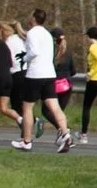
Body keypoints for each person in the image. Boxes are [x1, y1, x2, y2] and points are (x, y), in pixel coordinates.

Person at [18, 11, 73, 153]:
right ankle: (66, 134)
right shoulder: (48, 34)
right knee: (54, 107)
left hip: (35, 74)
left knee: (27, 107)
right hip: (49, 75)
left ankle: (27, 141)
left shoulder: (32, 33)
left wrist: (24, 59)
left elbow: (34, 52)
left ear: (34, 18)